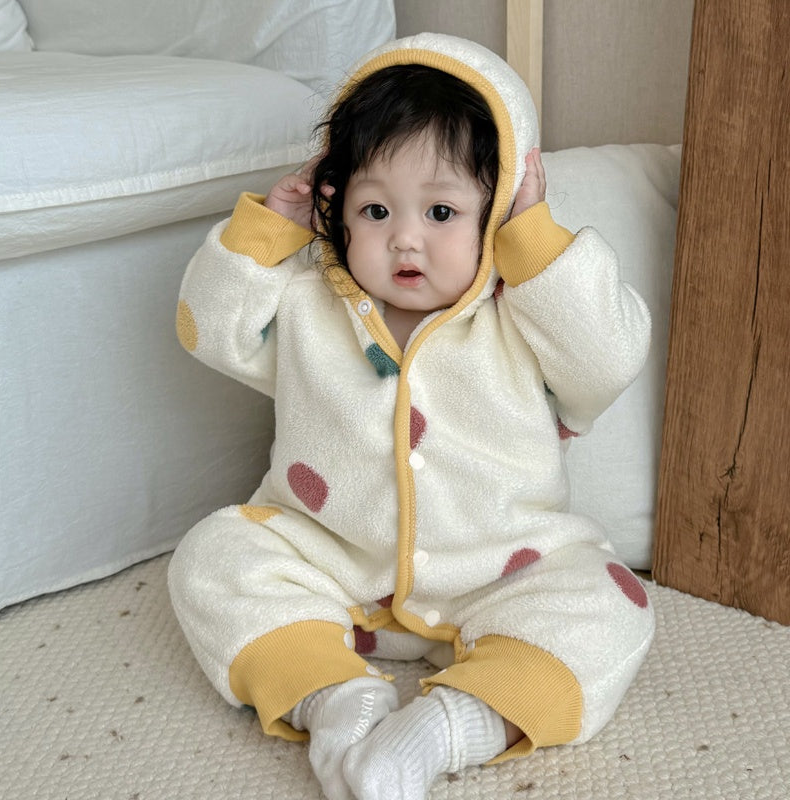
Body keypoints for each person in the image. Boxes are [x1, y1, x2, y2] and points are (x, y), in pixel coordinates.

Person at [168, 33, 655, 800]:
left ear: (497, 211)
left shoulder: (523, 316)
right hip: (331, 559)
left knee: (610, 606)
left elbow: (607, 360)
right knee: (211, 555)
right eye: (374, 209)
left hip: (500, 570)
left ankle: (448, 727)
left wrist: (534, 241)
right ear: (336, 208)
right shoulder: (307, 306)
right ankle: (333, 697)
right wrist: (270, 229)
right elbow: (208, 329)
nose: (404, 237)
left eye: (441, 211)